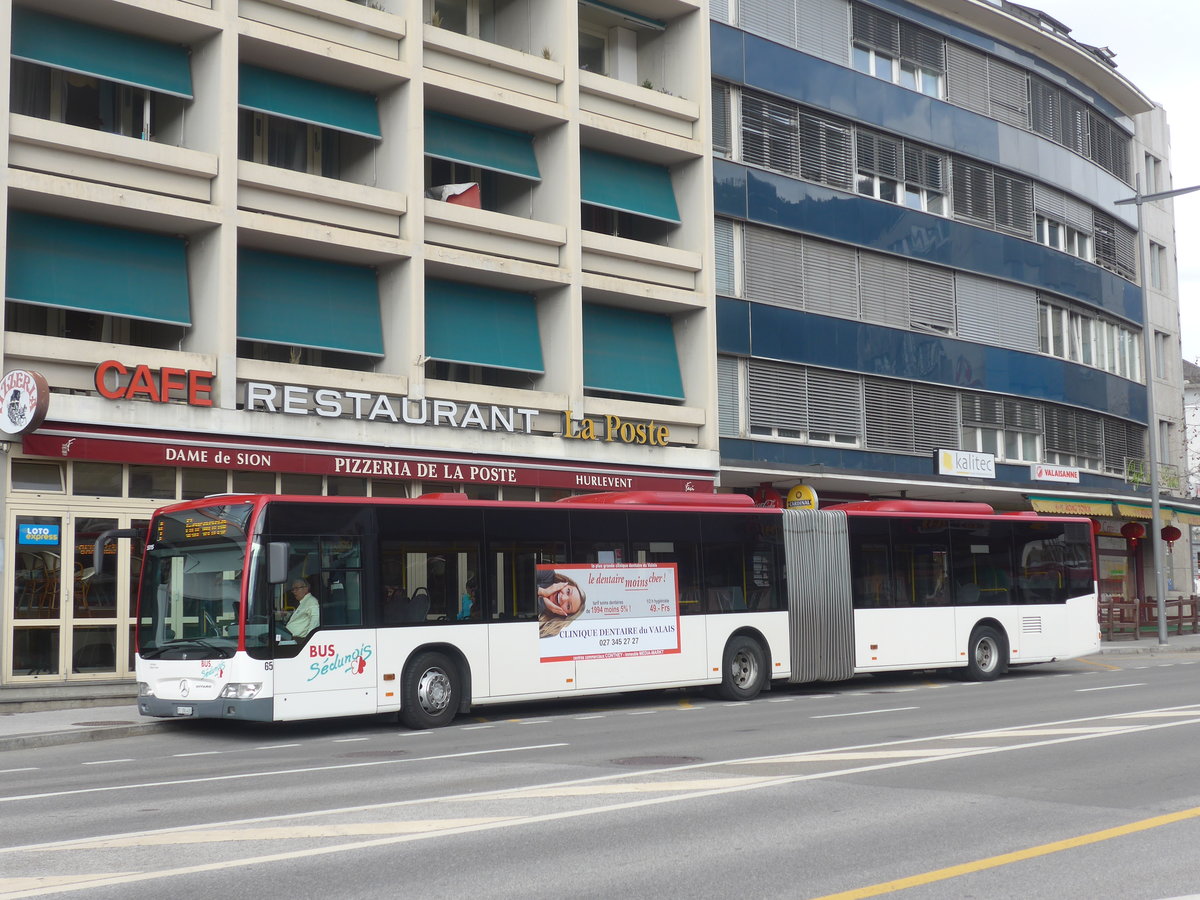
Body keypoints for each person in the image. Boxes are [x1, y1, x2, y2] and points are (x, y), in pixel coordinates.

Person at [537, 570, 586, 638]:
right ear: (566, 583)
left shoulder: (548, 629)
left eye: (568, 606)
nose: (563, 598)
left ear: (564, 615)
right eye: (568, 591)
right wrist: (543, 592)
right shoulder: (548, 574)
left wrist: (543, 603)